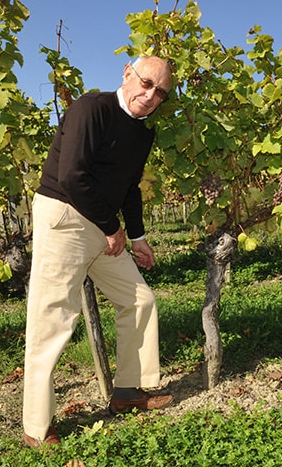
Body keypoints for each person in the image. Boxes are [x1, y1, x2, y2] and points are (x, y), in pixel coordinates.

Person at [22, 56, 175, 447]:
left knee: (139, 300)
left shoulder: (142, 134)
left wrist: (136, 237)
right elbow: (73, 176)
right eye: (146, 83)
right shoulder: (91, 108)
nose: (150, 94)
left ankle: (127, 391)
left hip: (103, 225)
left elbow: (130, 188)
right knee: (52, 320)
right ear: (127, 73)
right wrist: (112, 229)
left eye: (160, 92)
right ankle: (37, 429)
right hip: (65, 219)